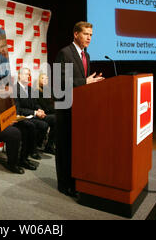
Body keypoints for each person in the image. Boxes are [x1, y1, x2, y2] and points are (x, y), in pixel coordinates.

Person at [54, 21, 105, 197]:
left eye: (91, 35)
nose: (89, 38)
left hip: (80, 109)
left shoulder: (86, 56)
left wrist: (92, 81)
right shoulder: (65, 53)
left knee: (76, 148)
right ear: (76, 34)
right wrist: (85, 82)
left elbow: (83, 81)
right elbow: (59, 83)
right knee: (65, 148)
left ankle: (75, 181)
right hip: (66, 108)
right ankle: (63, 184)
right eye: (86, 34)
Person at [15, 67, 56, 160]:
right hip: (24, 116)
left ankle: (47, 146)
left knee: (55, 119)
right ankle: (32, 149)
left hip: (34, 114)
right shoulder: (15, 89)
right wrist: (35, 112)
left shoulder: (30, 89)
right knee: (43, 125)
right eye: (26, 74)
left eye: (29, 74)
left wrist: (40, 110)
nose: (28, 76)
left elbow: (36, 103)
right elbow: (19, 109)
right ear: (19, 75)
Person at [36, 73, 56, 154]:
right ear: (39, 80)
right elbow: (45, 107)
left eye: (47, 78)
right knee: (56, 118)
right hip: (42, 114)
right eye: (43, 78)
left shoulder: (50, 90)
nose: (45, 80)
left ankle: (50, 145)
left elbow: (55, 103)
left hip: (51, 113)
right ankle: (49, 145)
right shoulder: (37, 91)